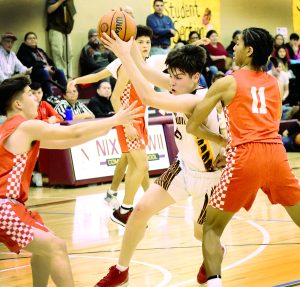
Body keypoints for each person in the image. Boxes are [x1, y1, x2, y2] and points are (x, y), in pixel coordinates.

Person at [95, 32, 226, 286]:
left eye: (177, 78)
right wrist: (128, 45)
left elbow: (148, 97)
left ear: (195, 78)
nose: (172, 82)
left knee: (201, 234)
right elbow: (143, 70)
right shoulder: (181, 85)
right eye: (171, 76)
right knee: (140, 210)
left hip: (209, 178)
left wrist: (123, 56)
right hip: (183, 166)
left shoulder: (197, 98)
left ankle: (216, 251)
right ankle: (121, 270)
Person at [0, 76, 142, 287]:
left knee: (46, 249)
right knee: (56, 246)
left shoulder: (15, 129)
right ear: (18, 104)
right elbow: (72, 131)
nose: (37, 98)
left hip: (11, 206)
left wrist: (108, 126)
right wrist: (114, 120)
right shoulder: (25, 126)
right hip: (4, 206)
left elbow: (68, 141)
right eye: (31, 94)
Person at [185, 27, 300, 287]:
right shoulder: (273, 82)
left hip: (245, 156)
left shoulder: (227, 82)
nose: (233, 48)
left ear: (248, 50)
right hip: (276, 153)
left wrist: (225, 141)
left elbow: (193, 125)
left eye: (237, 44)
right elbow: (268, 122)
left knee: (211, 229)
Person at [69, 26, 160, 225]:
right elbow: (114, 96)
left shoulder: (146, 64)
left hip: (140, 117)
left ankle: (141, 202)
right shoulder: (126, 65)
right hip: (129, 118)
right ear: (131, 44)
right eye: (140, 42)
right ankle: (124, 209)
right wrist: (127, 124)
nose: (145, 46)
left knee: (137, 164)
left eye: (147, 42)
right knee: (140, 164)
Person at [17, 31, 67, 104]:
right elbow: (29, 64)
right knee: (44, 72)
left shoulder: (40, 51)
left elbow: (50, 61)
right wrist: (45, 66)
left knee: (60, 71)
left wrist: (52, 67)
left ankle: (66, 93)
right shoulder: (23, 51)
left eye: (34, 38)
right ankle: (49, 96)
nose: (32, 40)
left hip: (46, 70)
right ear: (25, 41)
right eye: (30, 38)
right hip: (34, 73)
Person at [46, 0, 76, 78]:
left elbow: (72, 12)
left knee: (69, 53)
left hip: (66, 29)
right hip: (55, 28)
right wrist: (60, 1)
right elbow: (49, 10)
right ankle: (62, 76)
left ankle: (69, 76)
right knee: (58, 53)